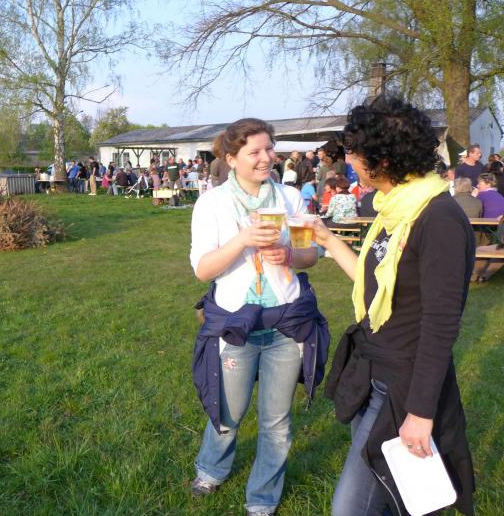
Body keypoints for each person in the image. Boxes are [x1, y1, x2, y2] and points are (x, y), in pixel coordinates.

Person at [310, 96, 475, 515]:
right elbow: (374, 283)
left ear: (382, 159)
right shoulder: (394, 210)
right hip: (372, 370)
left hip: (402, 383)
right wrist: (328, 239)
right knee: (390, 498)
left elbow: (441, 324)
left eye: (354, 151)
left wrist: (420, 411)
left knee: (351, 509)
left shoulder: (437, 218)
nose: (349, 160)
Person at [189, 118, 328, 516]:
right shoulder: (212, 203)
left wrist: (289, 255)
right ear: (232, 158)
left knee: (276, 422)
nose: (266, 157)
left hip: (286, 325)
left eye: (269, 148)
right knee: (228, 413)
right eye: (255, 151)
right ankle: (211, 469)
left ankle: (263, 497)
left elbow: (311, 256)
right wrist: (242, 240)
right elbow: (203, 270)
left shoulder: (289, 198)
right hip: (236, 326)